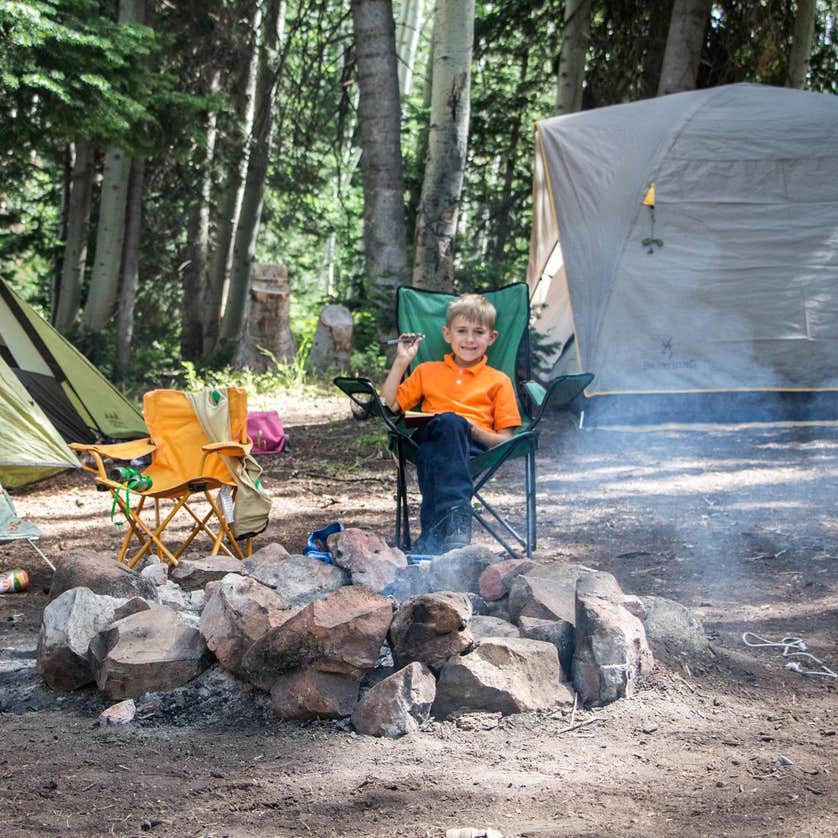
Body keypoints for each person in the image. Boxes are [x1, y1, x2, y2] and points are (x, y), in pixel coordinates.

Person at [381, 293, 521, 554]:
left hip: (471, 446)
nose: (469, 339)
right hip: (430, 432)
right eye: (462, 331)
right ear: (447, 334)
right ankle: (457, 519)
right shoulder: (426, 371)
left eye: (478, 332)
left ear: (491, 338)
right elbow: (391, 404)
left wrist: (471, 428)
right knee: (446, 423)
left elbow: (505, 439)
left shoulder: (498, 381)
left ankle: (431, 536)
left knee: (446, 437)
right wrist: (402, 361)